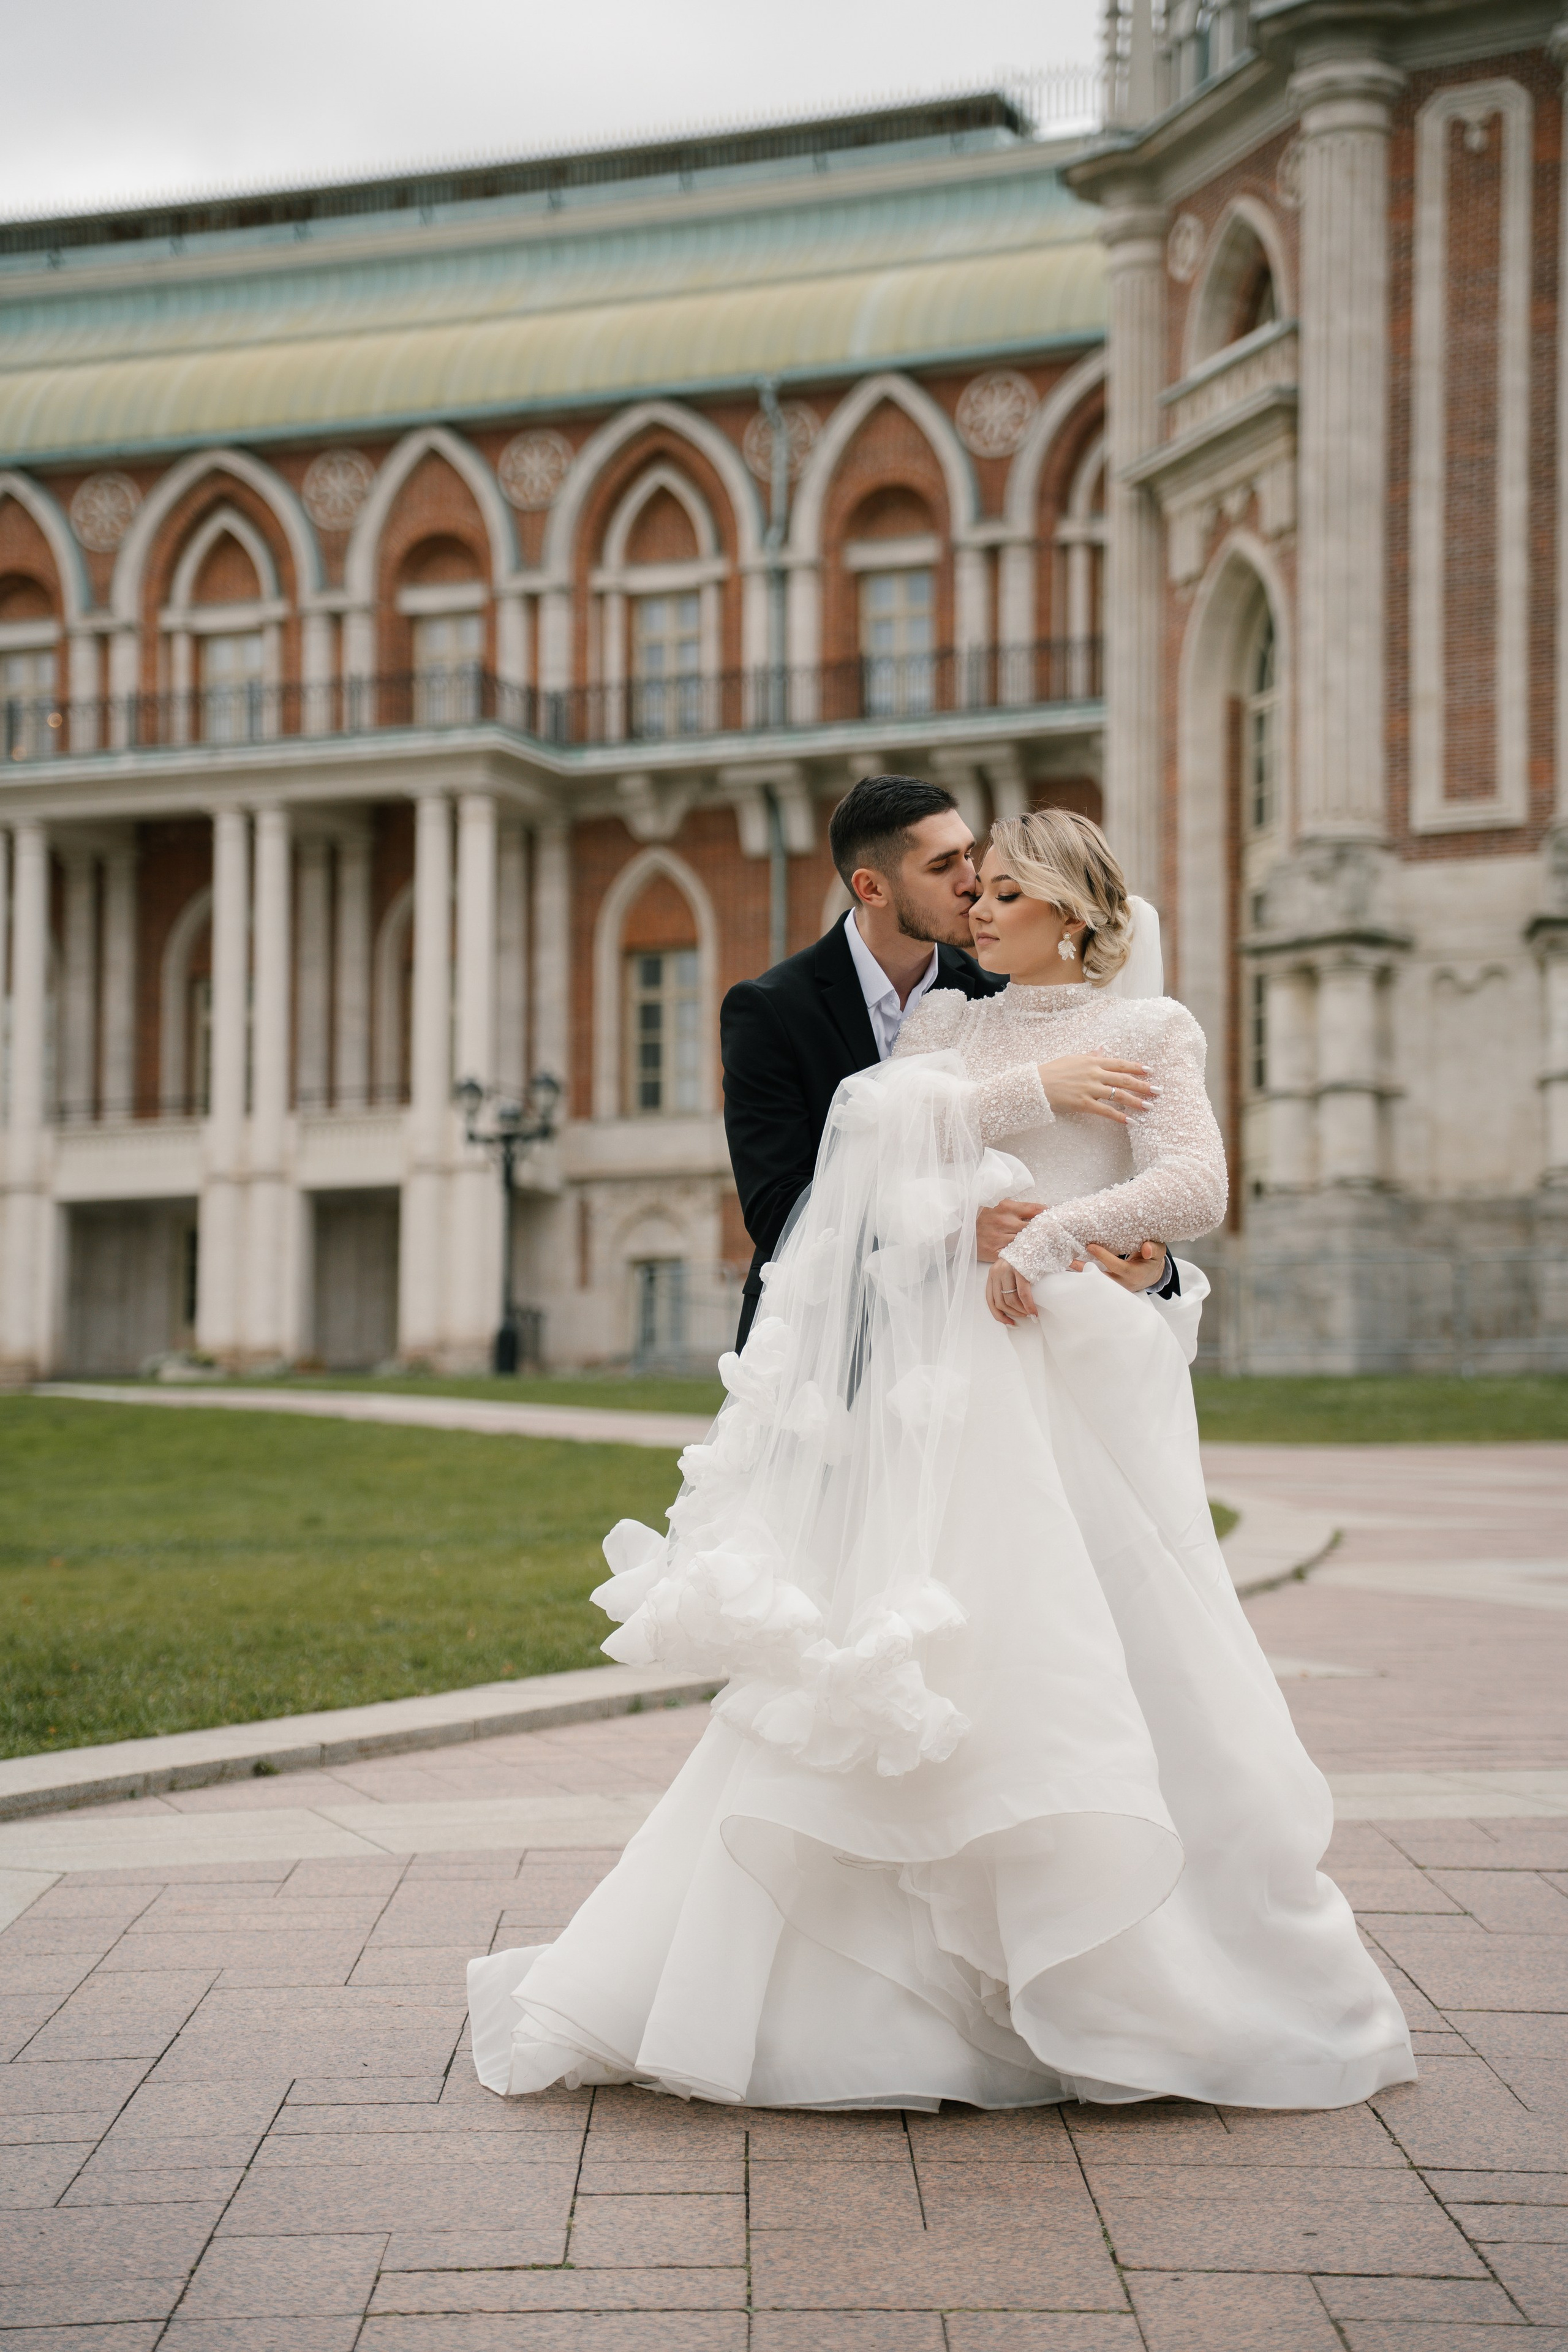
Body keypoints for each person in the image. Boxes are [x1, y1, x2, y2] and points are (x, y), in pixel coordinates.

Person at [467, 807, 1415, 2113]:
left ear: (1072, 915)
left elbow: (1193, 1186)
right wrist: (1038, 1095)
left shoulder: (1151, 1028)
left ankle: (1132, 1964)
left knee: (1107, 1656)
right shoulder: (950, 1023)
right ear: (876, 882)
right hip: (947, 1398)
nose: (978, 903)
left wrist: (1063, 1234)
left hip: (1082, 1383)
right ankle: (900, 1992)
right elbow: (866, 1154)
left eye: (1005, 889)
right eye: (968, 881)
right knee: (941, 1650)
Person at [721, 772, 1181, 1352]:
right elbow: (777, 1207)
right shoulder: (772, 1009)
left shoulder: (1003, 988)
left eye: (968, 854)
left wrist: (1153, 1263)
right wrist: (952, 1237)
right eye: (942, 867)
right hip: (824, 1337)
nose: (972, 882)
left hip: (982, 1340)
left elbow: (1084, 1162)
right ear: (872, 887)